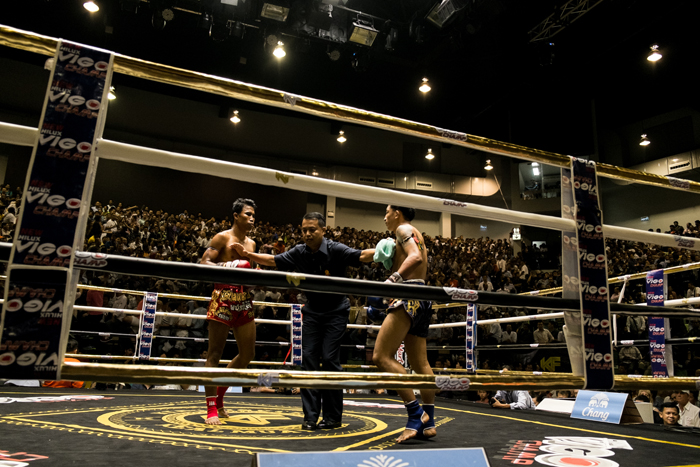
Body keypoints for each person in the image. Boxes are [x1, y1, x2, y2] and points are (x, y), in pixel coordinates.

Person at [234, 212, 375, 431]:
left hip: (336, 311)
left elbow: (363, 255)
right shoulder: (299, 252)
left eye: (312, 230)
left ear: (323, 230)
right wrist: (248, 254)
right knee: (308, 360)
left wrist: (389, 250)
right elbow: (272, 260)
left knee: (329, 359)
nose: (307, 234)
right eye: (304, 230)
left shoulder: (336, 249)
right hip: (312, 311)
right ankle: (310, 417)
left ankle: (333, 417)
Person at [370, 205, 436, 444]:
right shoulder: (415, 232)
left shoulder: (404, 228)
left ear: (397, 212)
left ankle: (415, 415)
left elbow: (415, 256)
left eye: (386, 211)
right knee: (421, 362)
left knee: (380, 356)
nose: (384, 216)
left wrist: (391, 280)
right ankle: (431, 422)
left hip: (408, 294)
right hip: (423, 295)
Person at [201, 198, 258, 425]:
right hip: (223, 297)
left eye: (254, 215)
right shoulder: (222, 237)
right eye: (248, 214)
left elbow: (251, 273)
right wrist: (230, 265)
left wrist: (256, 273)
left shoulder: (252, 244)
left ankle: (221, 396)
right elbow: (204, 262)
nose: (252, 218)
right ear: (236, 215)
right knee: (214, 354)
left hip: (243, 299)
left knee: (247, 355)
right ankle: (211, 406)